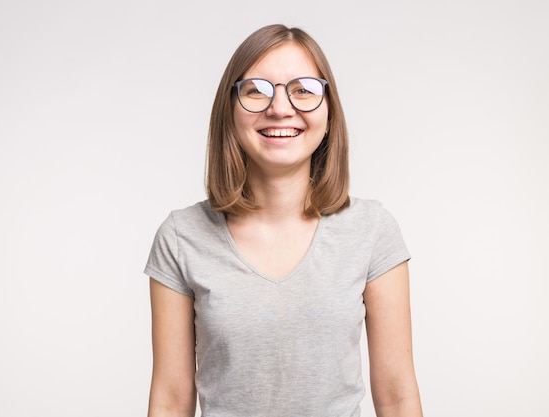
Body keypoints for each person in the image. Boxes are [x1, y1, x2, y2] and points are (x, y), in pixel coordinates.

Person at [144, 24, 423, 417]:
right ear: (230, 108)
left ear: (329, 110)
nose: (279, 108)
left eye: (303, 90)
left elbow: (397, 397)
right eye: (256, 90)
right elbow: (171, 401)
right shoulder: (180, 237)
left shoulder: (373, 230)